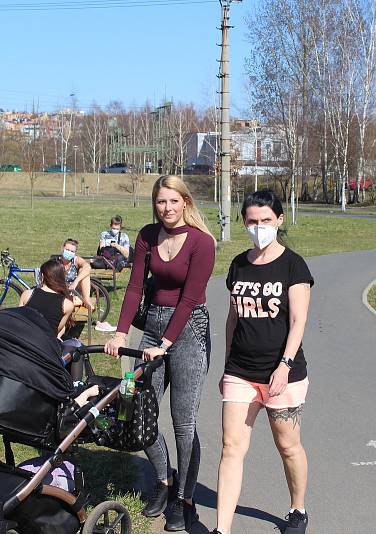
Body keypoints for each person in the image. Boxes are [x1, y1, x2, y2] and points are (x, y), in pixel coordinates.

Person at [105, 175, 216, 532]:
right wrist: (122, 331)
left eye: (172, 201)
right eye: (160, 202)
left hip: (188, 331)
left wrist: (165, 345)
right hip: (152, 324)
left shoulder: (202, 242)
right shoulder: (147, 236)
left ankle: (184, 499)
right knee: (140, 410)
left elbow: (188, 300)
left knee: (183, 421)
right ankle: (163, 482)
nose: (166, 208)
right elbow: (136, 285)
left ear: (185, 202)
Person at [212, 190, 313, 534]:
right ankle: (221, 529)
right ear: (244, 222)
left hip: (281, 374)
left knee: (288, 446)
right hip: (240, 372)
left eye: (266, 221)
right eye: (252, 221)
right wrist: (226, 365)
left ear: (279, 221)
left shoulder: (293, 265)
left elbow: (298, 321)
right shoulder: (239, 264)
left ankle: (297, 509)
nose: (259, 227)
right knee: (231, 447)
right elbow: (232, 319)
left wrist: (284, 365)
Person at [19, 258, 76, 339]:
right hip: (44, 346)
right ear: (62, 278)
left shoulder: (27, 294)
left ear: (42, 276)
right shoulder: (67, 304)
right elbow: (55, 331)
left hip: (23, 339)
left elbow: (19, 320)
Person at [60, 238, 93, 311]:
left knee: (84, 272)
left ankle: (86, 300)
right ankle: (80, 302)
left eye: (72, 251)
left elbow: (88, 267)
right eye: (67, 250)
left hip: (74, 291)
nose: (69, 252)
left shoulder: (75, 260)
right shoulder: (56, 262)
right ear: (62, 248)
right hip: (61, 292)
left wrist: (76, 281)